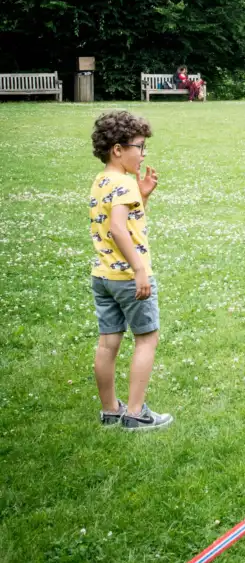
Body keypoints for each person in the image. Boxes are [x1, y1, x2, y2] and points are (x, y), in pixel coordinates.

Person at [89, 111, 173, 430]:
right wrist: (139, 270)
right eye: (139, 147)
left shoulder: (102, 181)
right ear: (118, 149)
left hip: (104, 277)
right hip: (128, 278)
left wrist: (144, 196)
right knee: (147, 339)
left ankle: (110, 409)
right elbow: (118, 229)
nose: (143, 154)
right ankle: (136, 414)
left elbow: (127, 222)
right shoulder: (124, 183)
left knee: (108, 343)